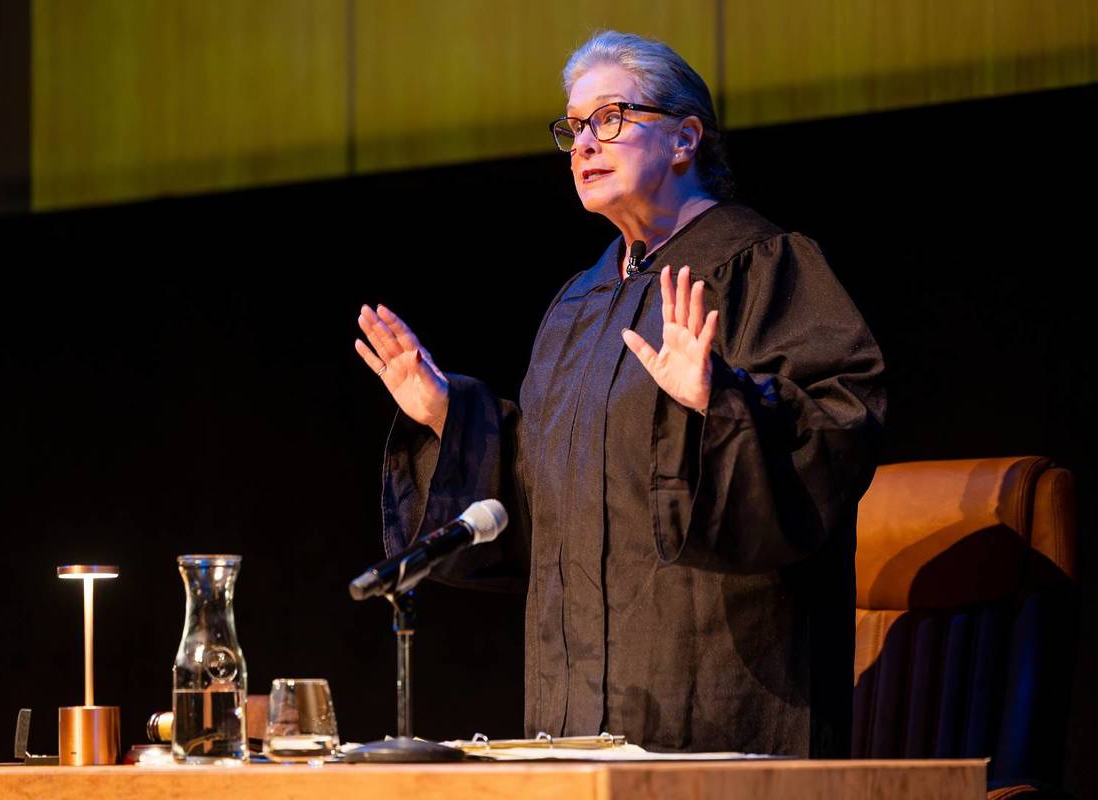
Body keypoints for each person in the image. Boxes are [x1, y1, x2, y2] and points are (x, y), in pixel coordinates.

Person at [354, 31, 885, 757]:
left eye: (609, 118)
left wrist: (719, 400)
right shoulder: (580, 304)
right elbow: (551, 499)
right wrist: (449, 414)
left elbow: (839, 420)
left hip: (720, 688)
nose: (582, 144)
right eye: (573, 127)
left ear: (684, 138)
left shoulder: (758, 266)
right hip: (573, 704)